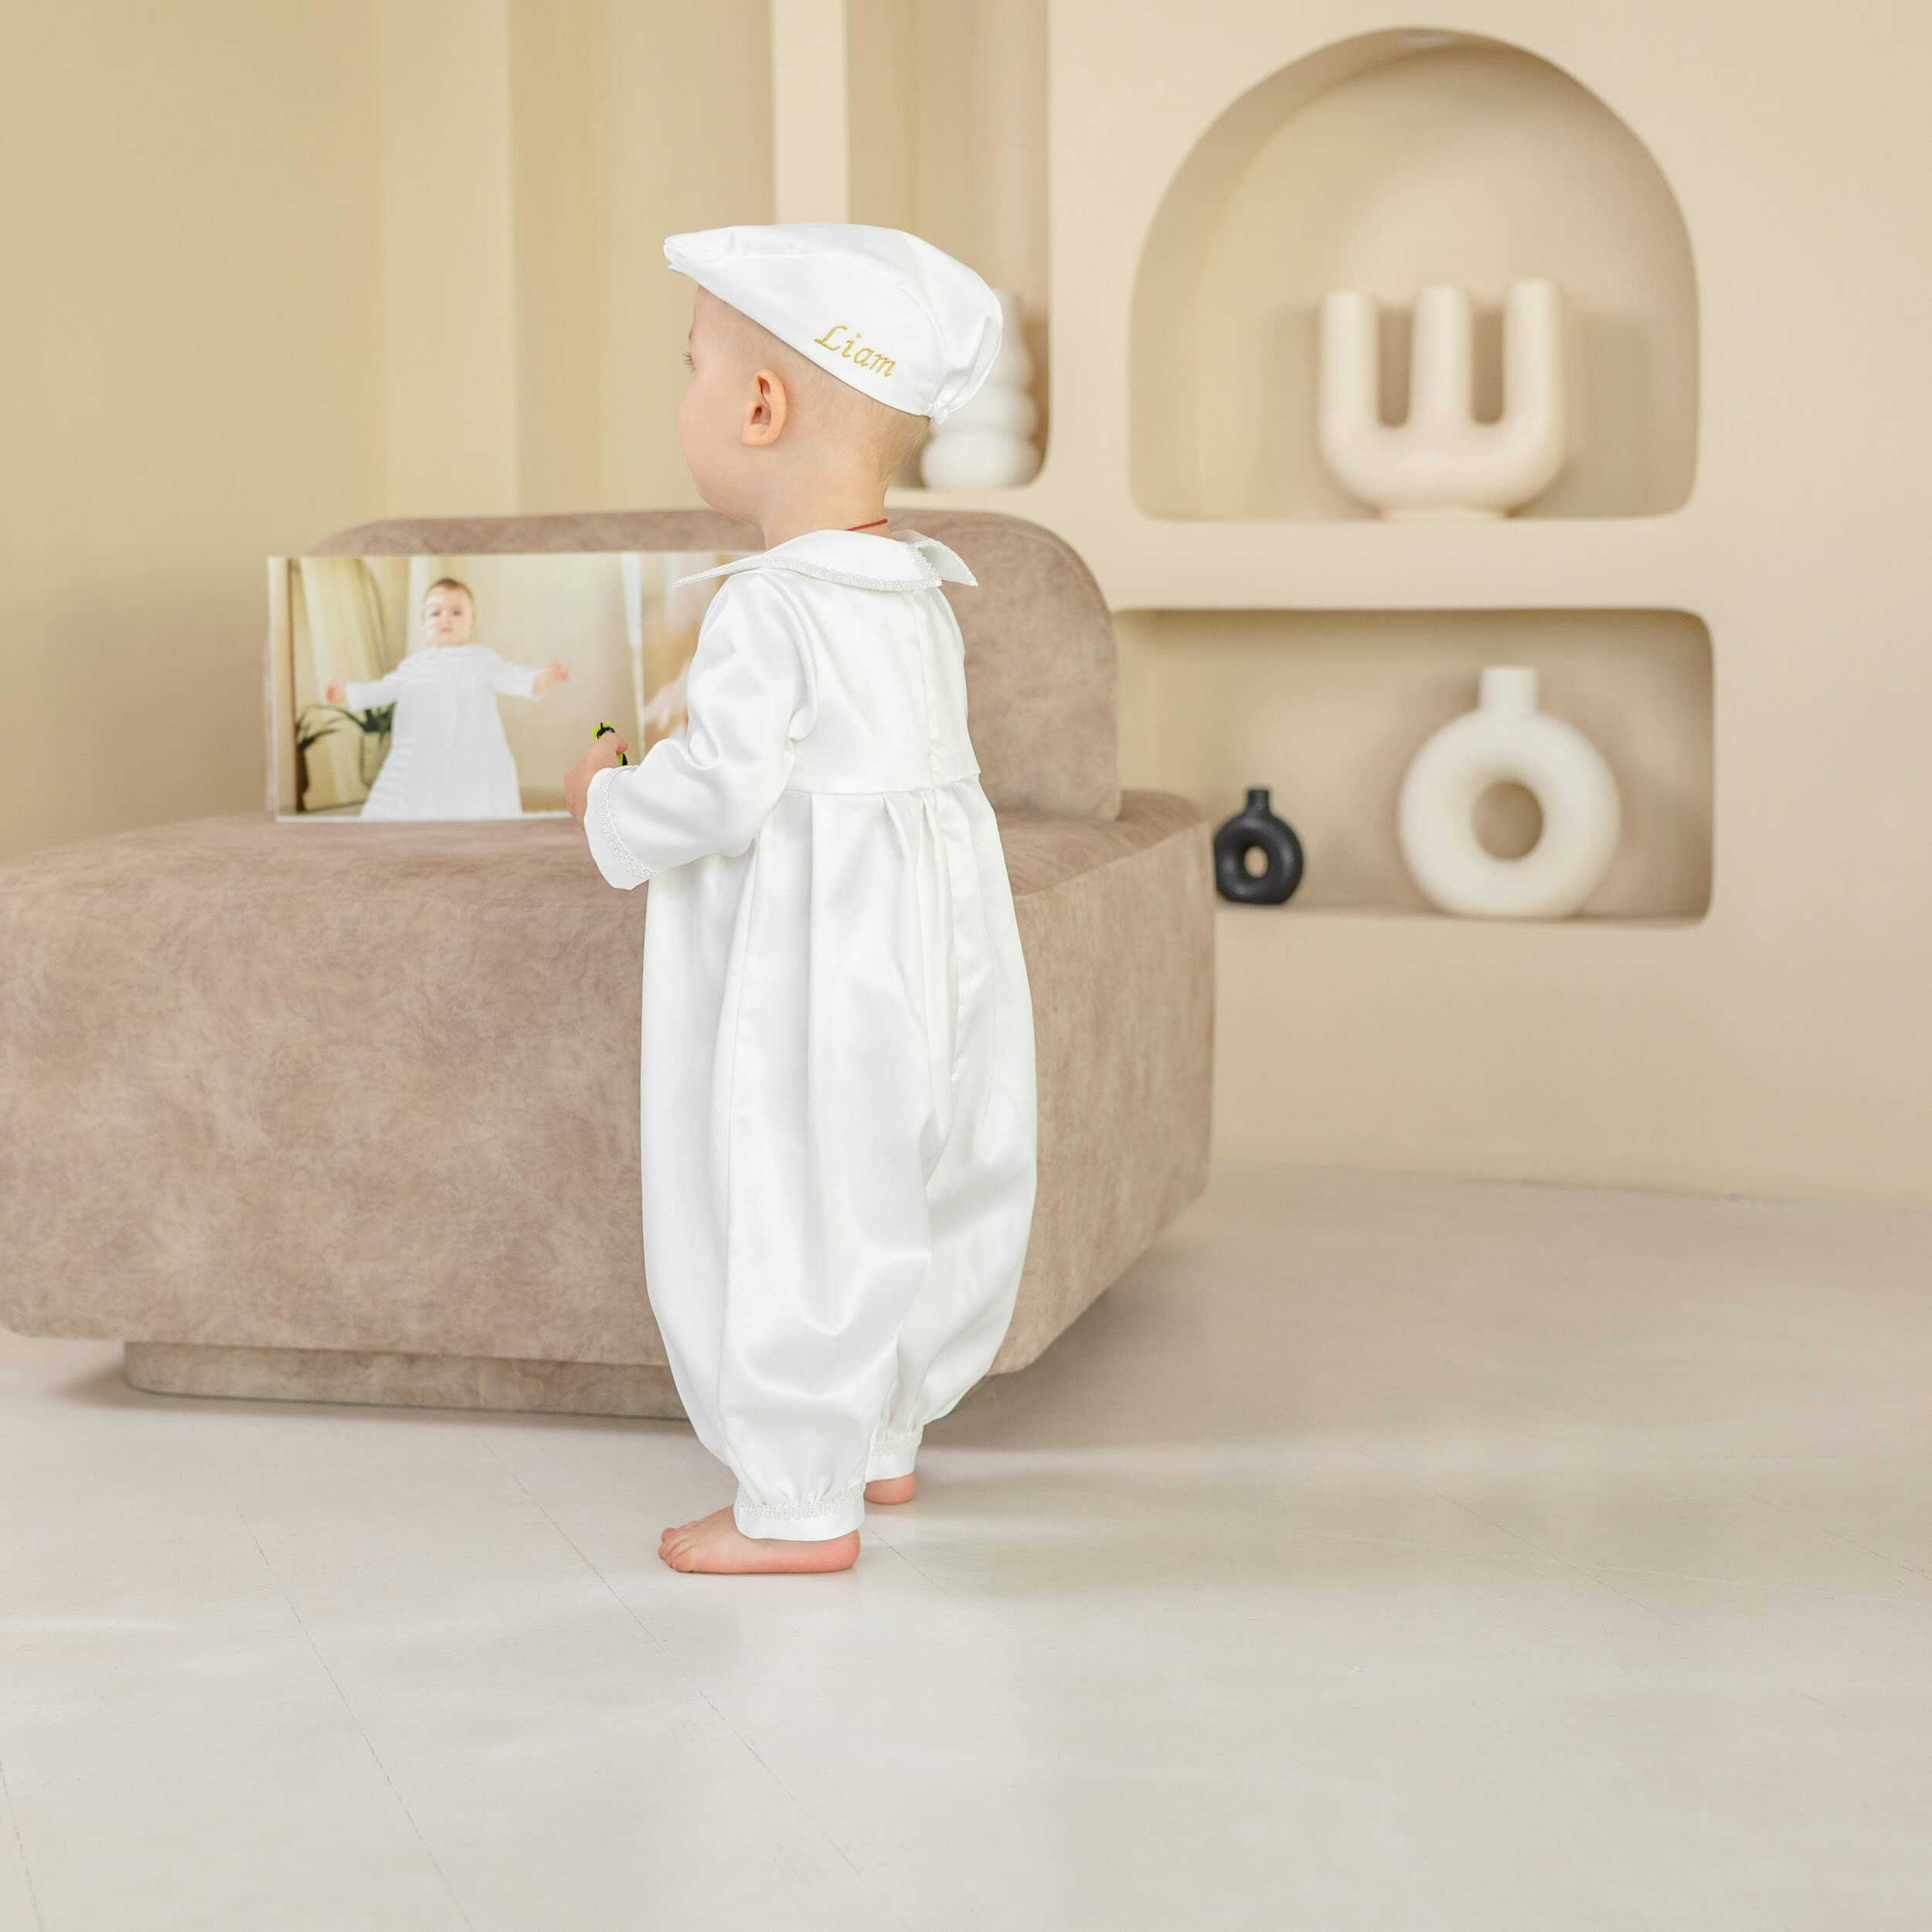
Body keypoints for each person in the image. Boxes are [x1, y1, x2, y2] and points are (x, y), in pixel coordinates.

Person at [563, 223, 1037, 1576]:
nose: (686, 398)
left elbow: (719, 794)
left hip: (816, 961)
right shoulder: (914, 588)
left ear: (761, 407)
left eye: (694, 366)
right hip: (932, 947)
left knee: (790, 1184)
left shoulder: (768, 606)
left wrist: (609, 793)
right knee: (911, 1169)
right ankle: (883, 1437)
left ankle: (791, 1498)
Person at [325, 577, 569, 819]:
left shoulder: (481, 659)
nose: (445, 618)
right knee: (408, 802)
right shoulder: (413, 666)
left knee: (474, 803)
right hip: (421, 752)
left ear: (472, 622)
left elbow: (511, 677)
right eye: (435, 613)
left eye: (456, 612)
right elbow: (383, 689)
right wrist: (348, 692)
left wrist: (542, 679)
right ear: (424, 623)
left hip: (472, 752)